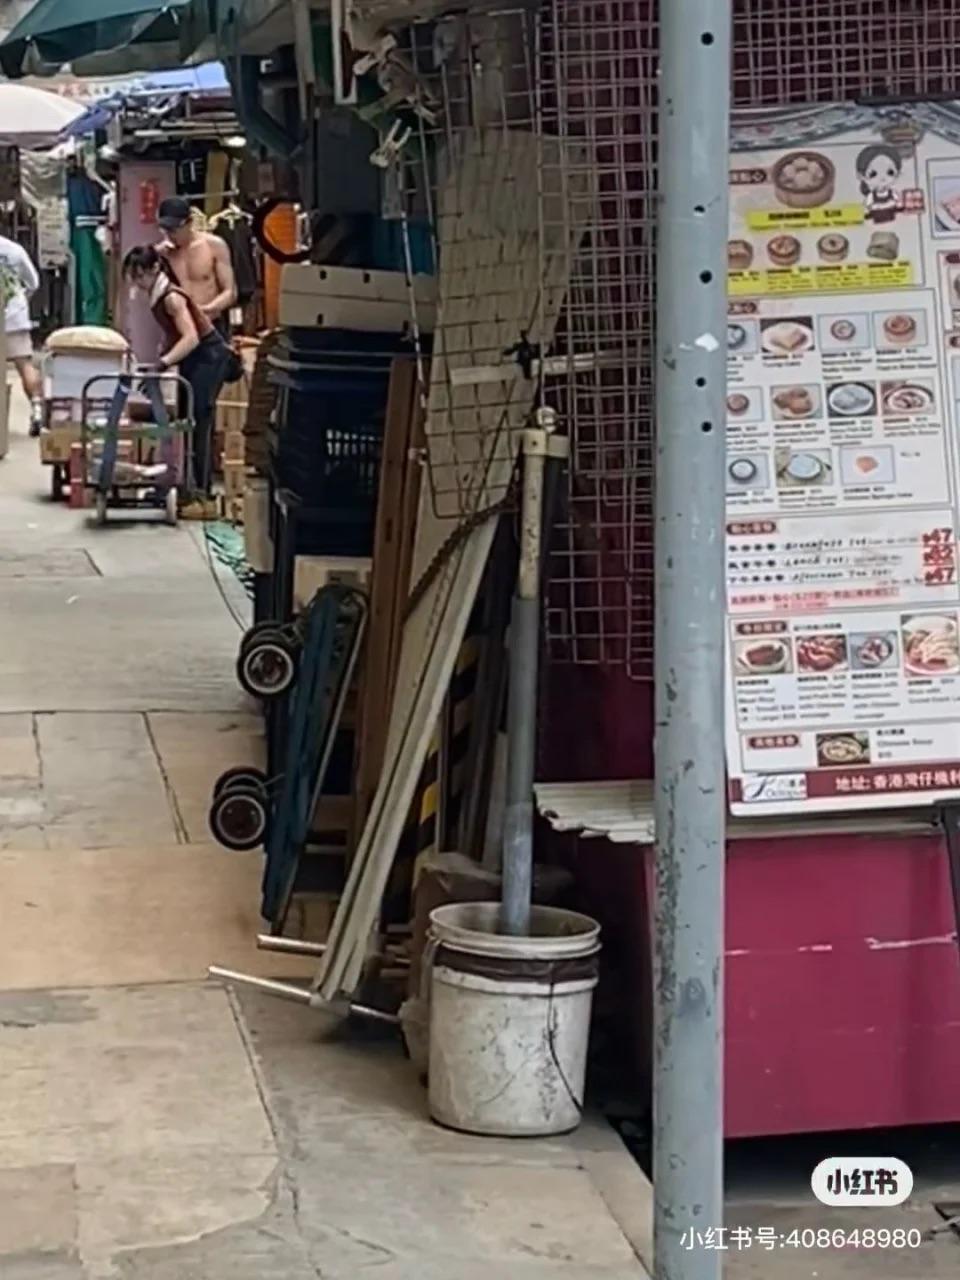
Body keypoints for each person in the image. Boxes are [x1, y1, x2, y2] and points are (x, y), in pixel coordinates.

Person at [122, 245, 229, 496]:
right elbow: (174, 335)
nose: (138, 283)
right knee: (183, 419)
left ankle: (201, 491)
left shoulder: (171, 297)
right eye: (134, 276)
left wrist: (163, 364)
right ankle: (184, 483)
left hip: (209, 357)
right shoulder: (158, 295)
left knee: (199, 420)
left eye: (140, 275)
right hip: (194, 358)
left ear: (155, 268)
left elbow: (191, 337)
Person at [155, 197, 237, 338]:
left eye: (174, 230)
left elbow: (230, 292)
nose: (171, 235)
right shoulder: (163, 254)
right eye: (166, 230)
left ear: (189, 223)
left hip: (210, 322)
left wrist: (208, 309)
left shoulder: (213, 245)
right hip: (180, 326)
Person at [0, 233, 42, 433]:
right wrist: (22, 300)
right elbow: (33, 283)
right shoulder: (14, 250)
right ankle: (37, 409)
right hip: (14, 315)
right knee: (24, 364)